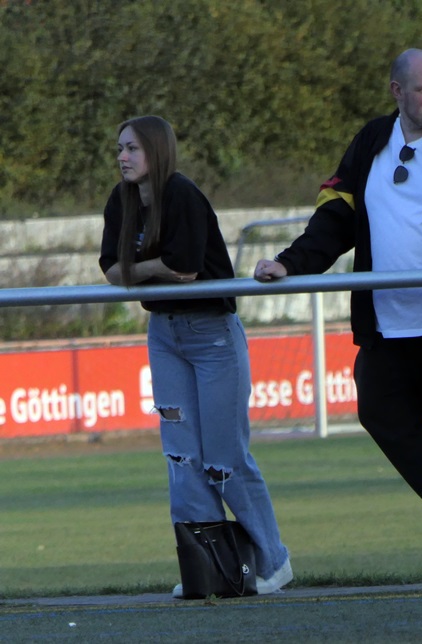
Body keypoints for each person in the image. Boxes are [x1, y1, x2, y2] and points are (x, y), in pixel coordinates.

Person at [253, 49, 422, 589]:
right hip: (387, 324)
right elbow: (335, 219)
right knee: (378, 412)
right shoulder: (371, 142)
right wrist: (290, 263)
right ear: (397, 92)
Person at [98, 115, 292, 598]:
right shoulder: (121, 200)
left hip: (212, 335)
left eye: (132, 149)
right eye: (119, 149)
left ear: (157, 151)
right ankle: (206, 570)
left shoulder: (182, 194)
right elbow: (110, 270)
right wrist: (153, 268)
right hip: (164, 334)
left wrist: (138, 269)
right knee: (181, 456)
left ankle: (274, 562)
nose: (122, 157)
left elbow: (184, 268)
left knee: (224, 459)